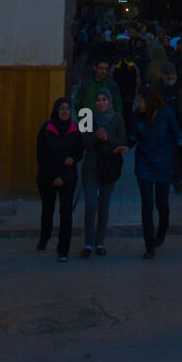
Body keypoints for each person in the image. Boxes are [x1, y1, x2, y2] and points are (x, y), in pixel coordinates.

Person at [131, 85, 182, 258]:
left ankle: (162, 229)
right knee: (147, 204)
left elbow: (177, 138)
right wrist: (124, 146)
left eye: (140, 101)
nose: (138, 104)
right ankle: (149, 244)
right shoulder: (137, 116)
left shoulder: (166, 115)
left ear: (149, 102)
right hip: (144, 164)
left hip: (164, 163)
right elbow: (133, 137)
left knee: (162, 204)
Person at [79, 89, 128, 257]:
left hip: (109, 167)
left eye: (104, 100)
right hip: (91, 166)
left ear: (109, 101)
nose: (101, 103)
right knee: (91, 205)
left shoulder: (117, 119)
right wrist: (95, 136)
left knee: (104, 206)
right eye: (98, 100)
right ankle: (88, 243)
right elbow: (83, 142)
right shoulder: (87, 117)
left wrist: (108, 138)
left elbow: (122, 141)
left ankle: (100, 242)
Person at [35, 97, 83, 261]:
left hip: (68, 178)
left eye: (67, 109)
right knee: (48, 210)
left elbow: (79, 152)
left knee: (66, 213)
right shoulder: (47, 129)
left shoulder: (74, 129)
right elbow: (41, 156)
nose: (64, 112)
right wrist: (53, 176)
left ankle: (63, 249)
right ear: (56, 111)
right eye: (61, 108)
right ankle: (44, 237)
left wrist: (73, 159)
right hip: (48, 177)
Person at [159, 62, 182, 192]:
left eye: (173, 73)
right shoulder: (157, 88)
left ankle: (177, 181)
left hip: (178, 126)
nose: (171, 76)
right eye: (168, 74)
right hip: (162, 127)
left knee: (179, 154)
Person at [111, 41, 141, 139]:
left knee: (118, 114)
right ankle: (127, 134)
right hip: (129, 95)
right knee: (128, 114)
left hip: (118, 95)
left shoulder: (115, 66)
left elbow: (110, 79)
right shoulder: (134, 66)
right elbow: (137, 81)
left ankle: (119, 133)